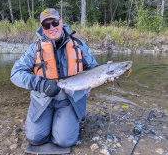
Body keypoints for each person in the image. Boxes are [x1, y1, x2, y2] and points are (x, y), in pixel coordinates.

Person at [10, 8, 113, 148]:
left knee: (64, 141)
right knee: (35, 138)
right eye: (47, 25)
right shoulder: (34, 49)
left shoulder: (79, 45)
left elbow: (93, 68)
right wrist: (41, 85)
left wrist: (105, 73)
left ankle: (64, 121)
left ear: (61, 22)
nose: (52, 28)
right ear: (42, 28)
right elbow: (15, 74)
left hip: (69, 100)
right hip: (43, 99)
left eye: (55, 22)